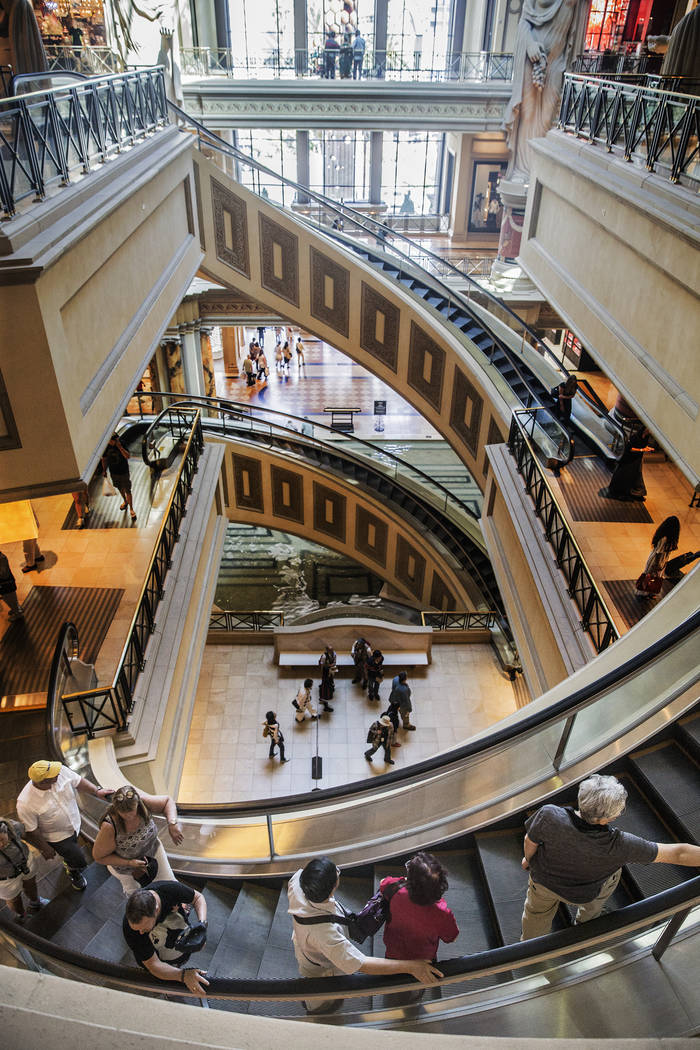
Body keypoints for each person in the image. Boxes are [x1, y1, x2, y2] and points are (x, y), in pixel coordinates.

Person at [521, 773, 700, 939]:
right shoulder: (621, 845)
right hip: (583, 893)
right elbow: (679, 854)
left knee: (535, 914)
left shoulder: (549, 814)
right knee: (614, 873)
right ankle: (587, 920)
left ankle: (529, 950)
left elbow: (530, 840)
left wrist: (528, 860)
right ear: (609, 818)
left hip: (542, 882)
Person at [288, 856, 443, 1013]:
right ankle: (319, 1011)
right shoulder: (325, 935)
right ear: (333, 887)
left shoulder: (297, 882)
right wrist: (411, 967)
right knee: (319, 999)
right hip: (321, 967)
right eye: (337, 874)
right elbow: (361, 963)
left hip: (307, 944)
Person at [504, 0, 589, 180]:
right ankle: (523, 170)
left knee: (547, 117)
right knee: (528, 114)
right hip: (534, 58)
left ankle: (536, 169)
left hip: (557, 61)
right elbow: (524, 21)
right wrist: (529, 44)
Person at [16, 760, 113, 892]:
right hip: (58, 837)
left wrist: (97, 791)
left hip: (76, 824)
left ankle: (71, 862)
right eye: (53, 775)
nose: (59, 772)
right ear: (42, 782)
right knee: (78, 860)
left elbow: (78, 781)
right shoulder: (25, 803)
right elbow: (32, 831)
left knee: (76, 853)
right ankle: (72, 870)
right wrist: (45, 849)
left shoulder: (59, 771)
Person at [92, 785, 183, 895]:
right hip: (126, 868)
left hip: (153, 849)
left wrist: (172, 823)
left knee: (169, 880)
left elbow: (168, 801)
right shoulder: (110, 827)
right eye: (123, 813)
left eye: (131, 811)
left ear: (138, 804)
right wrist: (129, 863)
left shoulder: (144, 803)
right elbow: (99, 857)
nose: (129, 816)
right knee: (135, 892)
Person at [123, 881, 209, 996]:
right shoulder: (130, 929)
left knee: (177, 962)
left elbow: (198, 898)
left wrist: (201, 926)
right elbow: (153, 964)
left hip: (178, 939)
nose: (140, 932)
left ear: (156, 910)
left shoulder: (169, 889)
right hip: (156, 955)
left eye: (144, 928)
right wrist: (183, 976)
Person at [380, 852, 459, 962]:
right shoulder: (442, 913)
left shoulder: (395, 887)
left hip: (394, 950)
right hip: (424, 957)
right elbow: (452, 937)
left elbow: (382, 882)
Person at [0, 817, 48, 920]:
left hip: (25, 864)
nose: (0, 845)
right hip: (5, 880)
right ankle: (22, 915)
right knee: (14, 899)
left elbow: (27, 836)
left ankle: (35, 902)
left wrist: (43, 848)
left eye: (1, 839)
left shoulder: (12, 826)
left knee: (31, 884)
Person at [601, 425, 654, 502]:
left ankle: (636, 493)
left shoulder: (646, 437)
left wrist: (646, 449)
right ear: (645, 429)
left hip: (637, 459)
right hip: (629, 458)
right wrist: (642, 450)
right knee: (625, 475)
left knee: (636, 475)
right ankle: (619, 493)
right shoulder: (635, 437)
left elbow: (643, 447)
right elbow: (631, 449)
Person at [635, 515, 680, 599]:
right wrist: (657, 565)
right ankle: (642, 593)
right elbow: (658, 554)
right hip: (656, 561)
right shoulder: (664, 539)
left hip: (661, 561)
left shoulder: (668, 538)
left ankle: (649, 592)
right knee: (648, 576)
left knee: (655, 577)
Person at [102, 433, 136, 521]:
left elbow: (127, 456)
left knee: (128, 490)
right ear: (110, 441)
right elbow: (104, 459)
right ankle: (125, 501)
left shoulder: (122, 444)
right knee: (120, 488)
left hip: (124, 472)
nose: (117, 441)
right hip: (114, 473)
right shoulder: (106, 447)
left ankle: (131, 509)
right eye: (115, 440)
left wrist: (120, 447)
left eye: (117, 439)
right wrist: (104, 470)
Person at [0, 549, 23, 621]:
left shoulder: (1, 559)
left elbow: (3, 573)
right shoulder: (2, 557)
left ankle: (17, 612)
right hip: (7, 582)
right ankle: (16, 608)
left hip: (5, 583)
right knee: (10, 597)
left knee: (8, 597)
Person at [20, 502, 44, 573]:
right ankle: (37, 556)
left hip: (28, 525)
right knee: (32, 542)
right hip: (31, 523)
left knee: (27, 545)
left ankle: (30, 564)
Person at [318, 645, 337, 713]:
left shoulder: (334, 654)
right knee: (325, 686)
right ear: (327, 650)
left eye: (332, 649)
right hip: (326, 672)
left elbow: (334, 661)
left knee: (330, 681)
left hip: (330, 671)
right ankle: (324, 701)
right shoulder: (324, 656)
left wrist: (333, 665)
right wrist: (324, 671)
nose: (332, 651)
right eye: (330, 650)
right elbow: (322, 665)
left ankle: (330, 687)